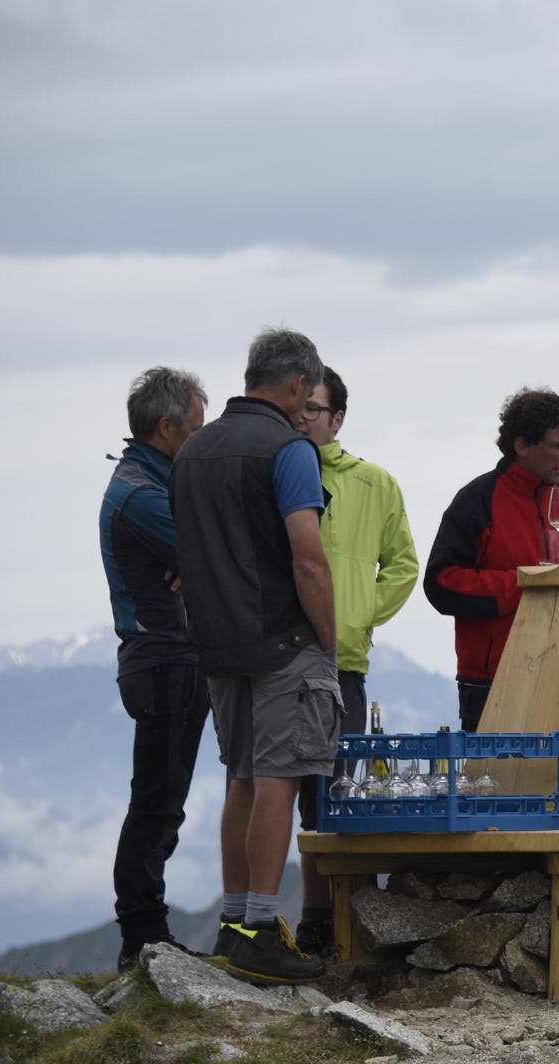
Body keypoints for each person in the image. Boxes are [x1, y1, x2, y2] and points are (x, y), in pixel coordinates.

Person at [169, 328, 335, 985]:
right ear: (297, 385)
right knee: (279, 777)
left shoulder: (194, 450)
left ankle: (235, 921)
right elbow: (307, 554)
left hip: (217, 641)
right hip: (282, 639)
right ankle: (263, 929)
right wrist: (325, 634)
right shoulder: (289, 450)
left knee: (239, 774)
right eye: (308, 393)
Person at [290, 366, 419, 954]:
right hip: (280, 652)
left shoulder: (374, 482)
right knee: (271, 788)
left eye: (315, 410)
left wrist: (361, 615)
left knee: (332, 793)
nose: (304, 419)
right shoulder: (272, 471)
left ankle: (326, 923)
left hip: (344, 658)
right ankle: (278, 919)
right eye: (299, 409)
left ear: (338, 418)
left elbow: (403, 564)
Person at [99, 366, 210, 970]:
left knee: (163, 801)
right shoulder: (143, 495)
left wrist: (196, 561)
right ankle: (143, 937)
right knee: (157, 804)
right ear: (166, 428)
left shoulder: (151, 483)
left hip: (167, 661)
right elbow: (221, 553)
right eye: (196, 426)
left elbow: (206, 554)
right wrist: (197, 560)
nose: (203, 435)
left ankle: (145, 933)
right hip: (165, 661)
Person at [424, 387, 559, 731]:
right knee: (493, 786)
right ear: (522, 446)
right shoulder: (477, 500)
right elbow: (440, 584)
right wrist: (524, 584)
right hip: (491, 682)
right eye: (558, 446)